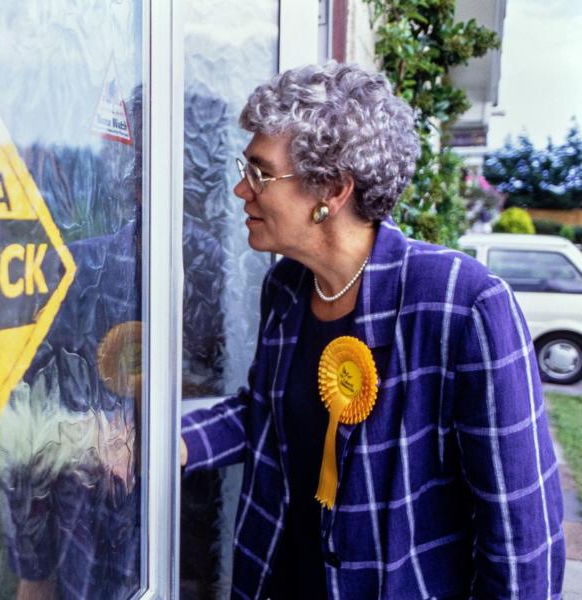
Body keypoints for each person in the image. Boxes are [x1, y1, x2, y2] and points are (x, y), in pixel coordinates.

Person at [180, 62, 565, 599]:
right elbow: (263, 413)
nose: (242, 189)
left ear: (332, 191)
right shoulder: (288, 287)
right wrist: (172, 444)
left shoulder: (462, 304)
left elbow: (521, 535)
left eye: (261, 173)